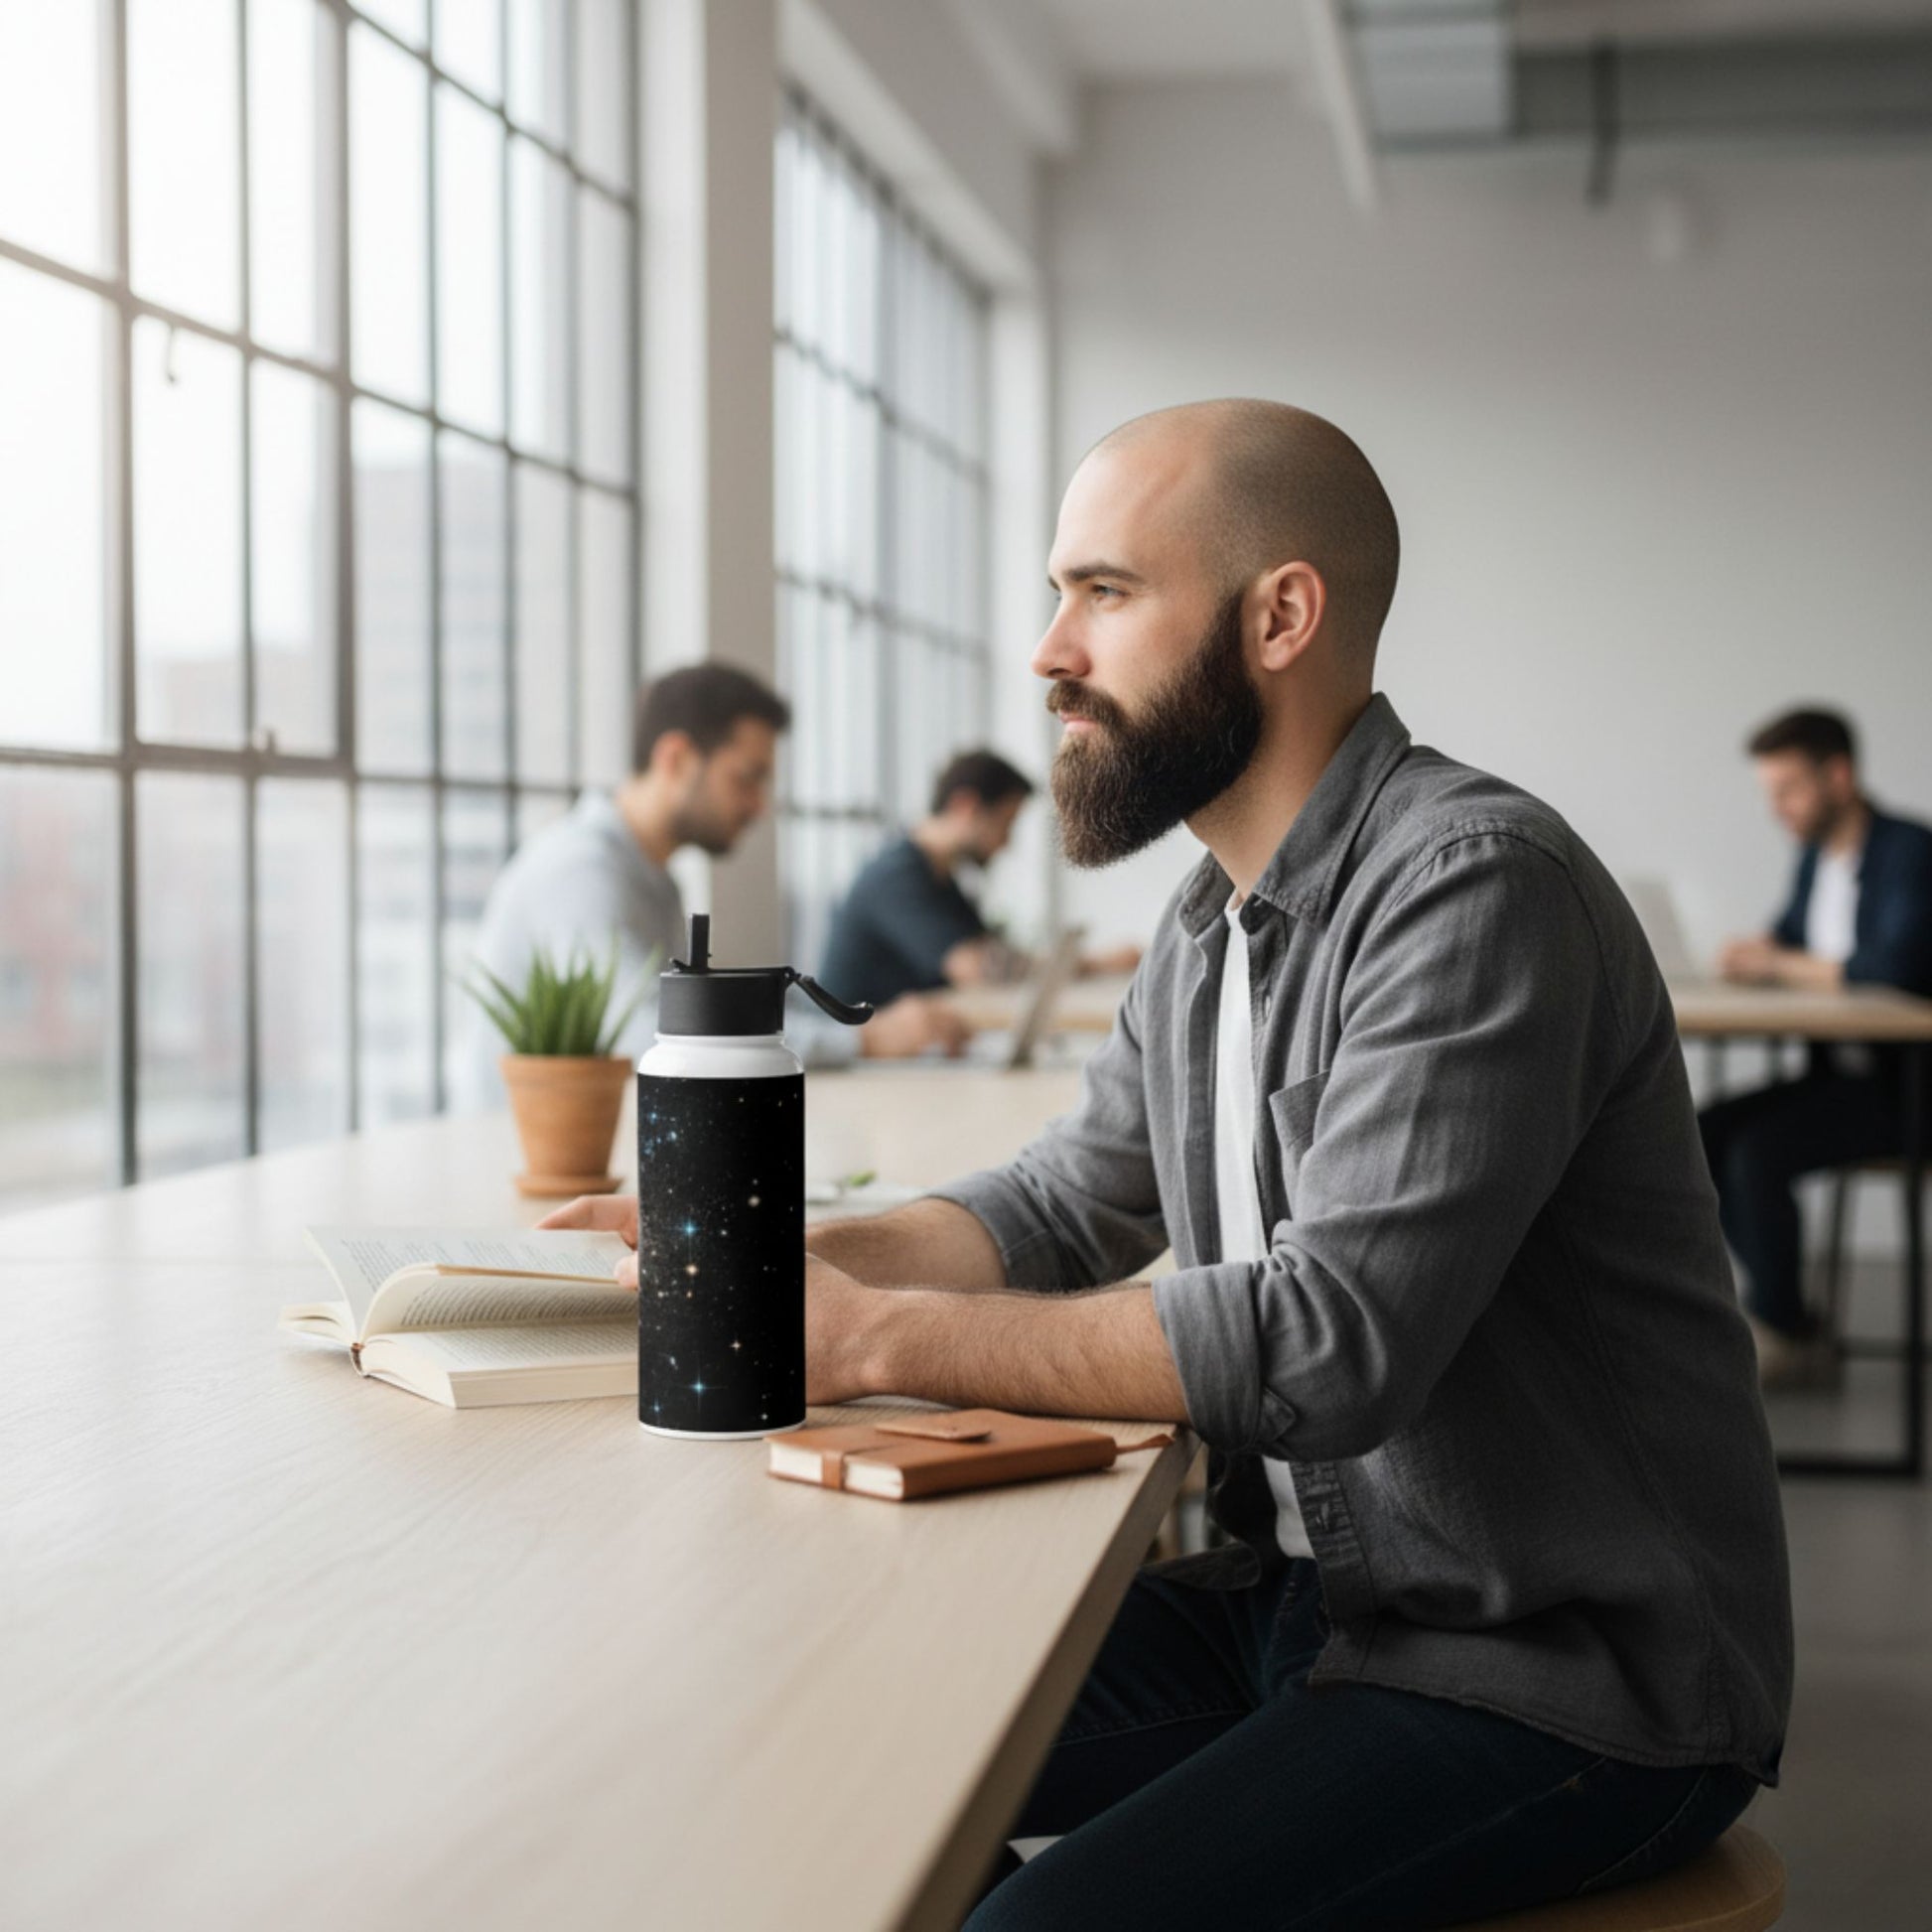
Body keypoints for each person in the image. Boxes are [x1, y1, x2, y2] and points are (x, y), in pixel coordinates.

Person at [548, 400, 1790, 1929]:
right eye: (1055, 595)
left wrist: (867, 1335)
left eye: (1104, 592)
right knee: (802, 1750)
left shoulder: (1471, 889)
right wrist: (736, 1248)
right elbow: (1066, 1201)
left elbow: (1332, 1344)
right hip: (1316, 1607)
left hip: (1552, 1673)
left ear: (1279, 615)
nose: (1047, 651)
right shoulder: (1207, 928)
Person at [457, 663, 968, 1105]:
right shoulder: (582, 872)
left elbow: (703, 1011)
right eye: (746, 777)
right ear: (675, 759)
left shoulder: (651, 878)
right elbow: (655, 1040)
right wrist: (866, 1042)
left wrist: (860, 1025)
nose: (759, 805)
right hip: (521, 1168)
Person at [1702, 707, 1932, 1385]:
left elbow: (1896, 969)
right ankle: (1790, 1319)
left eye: (1790, 790)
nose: (1780, 809)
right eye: (1771, 793)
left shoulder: (1909, 851)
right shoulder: (1813, 860)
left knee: (1757, 1154)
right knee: (1701, 1132)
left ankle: (1784, 1329)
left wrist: (1782, 965)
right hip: (1840, 1075)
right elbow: (1791, 941)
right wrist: (1759, 955)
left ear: (1839, 775)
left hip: (1906, 1085)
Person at [817, 749, 1140, 1009]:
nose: (1006, 842)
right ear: (966, 806)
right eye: (1005, 823)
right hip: (859, 1061)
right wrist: (1096, 963)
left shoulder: (941, 879)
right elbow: (978, 968)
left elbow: (992, 956)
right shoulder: (895, 876)